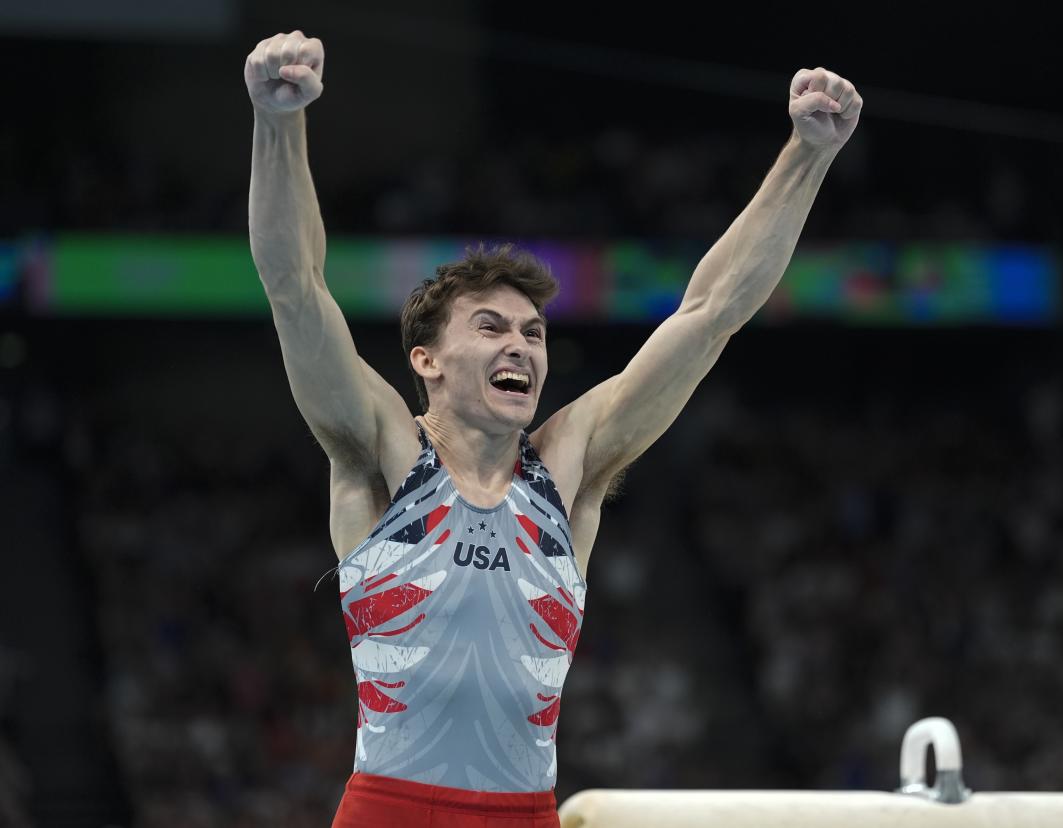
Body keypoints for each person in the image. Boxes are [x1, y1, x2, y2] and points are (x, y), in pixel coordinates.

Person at [244, 28, 862, 828]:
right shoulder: (381, 449)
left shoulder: (567, 465)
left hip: (522, 815)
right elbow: (295, 288)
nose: (521, 347)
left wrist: (806, 154)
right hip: (390, 810)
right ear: (426, 359)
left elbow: (710, 315)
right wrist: (275, 120)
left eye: (534, 334)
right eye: (493, 328)